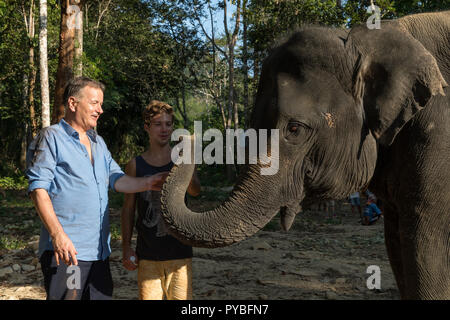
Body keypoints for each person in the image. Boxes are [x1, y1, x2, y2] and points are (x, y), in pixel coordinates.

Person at [26, 77, 168, 300]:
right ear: (73, 104)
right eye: (94, 103)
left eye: (101, 104)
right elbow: (38, 189)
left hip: (99, 253)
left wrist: (151, 181)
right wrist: (58, 235)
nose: (100, 110)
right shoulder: (51, 138)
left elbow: (118, 180)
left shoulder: (98, 142)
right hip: (69, 254)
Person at [121, 100, 200, 300]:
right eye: (158, 124)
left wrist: (186, 160)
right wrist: (126, 247)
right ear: (147, 127)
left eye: (168, 124)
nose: (164, 129)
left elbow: (195, 191)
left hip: (180, 253)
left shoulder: (182, 158)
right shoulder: (135, 165)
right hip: (147, 255)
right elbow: (129, 209)